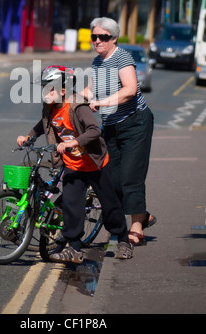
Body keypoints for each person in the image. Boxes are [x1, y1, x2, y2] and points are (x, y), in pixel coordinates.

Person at [17, 65, 133, 262]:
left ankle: (123, 241)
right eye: (44, 88)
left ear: (63, 90)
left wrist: (73, 142)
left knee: (109, 204)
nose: (46, 92)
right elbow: (44, 122)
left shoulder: (77, 106)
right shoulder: (50, 106)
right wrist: (29, 136)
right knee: (71, 206)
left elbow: (95, 130)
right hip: (73, 164)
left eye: (50, 88)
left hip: (95, 163)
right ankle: (75, 249)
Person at [83, 17, 156, 246]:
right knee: (112, 180)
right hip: (112, 127)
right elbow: (90, 90)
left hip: (135, 123)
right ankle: (143, 215)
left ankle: (136, 226)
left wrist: (103, 103)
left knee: (130, 177)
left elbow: (130, 89)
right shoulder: (98, 62)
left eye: (102, 37)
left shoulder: (122, 57)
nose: (97, 41)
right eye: (94, 36)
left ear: (113, 38)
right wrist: (70, 98)